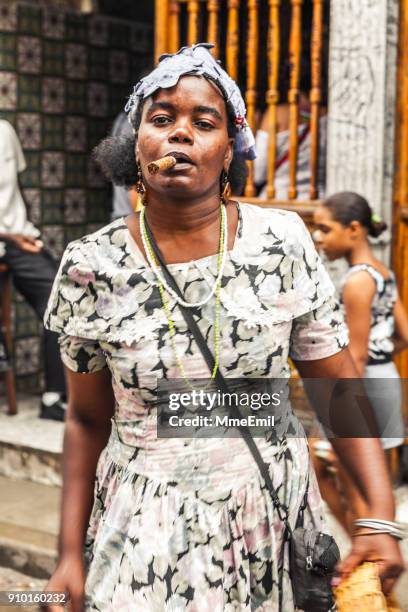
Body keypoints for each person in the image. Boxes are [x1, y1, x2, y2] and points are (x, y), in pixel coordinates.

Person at [43, 45, 403, 611]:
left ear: (230, 150)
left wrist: (380, 516)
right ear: (134, 146)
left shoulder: (280, 241)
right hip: (145, 521)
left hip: (270, 514)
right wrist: (68, 555)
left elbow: (340, 385)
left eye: (203, 122)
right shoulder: (91, 266)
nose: (179, 134)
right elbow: (86, 418)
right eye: (161, 120)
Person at [313, 192, 408, 530]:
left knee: (350, 486)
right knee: (369, 487)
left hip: (362, 385)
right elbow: (404, 336)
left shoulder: (356, 281)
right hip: (384, 380)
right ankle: (368, 563)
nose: (317, 237)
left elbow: (356, 353)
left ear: (354, 229)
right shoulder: (383, 273)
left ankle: (364, 566)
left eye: (325, 229)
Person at [0, 119, 66, 420]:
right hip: (6, 238)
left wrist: (28, 228)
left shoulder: (5, 130)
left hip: (18, 239)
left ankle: (54, 398)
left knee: (62, 298)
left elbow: (15, 187)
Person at [110, 111, 140, 220]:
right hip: (132, 216)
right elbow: (134, 178)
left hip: (122, 213)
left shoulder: (122, 119)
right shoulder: (133, 121)